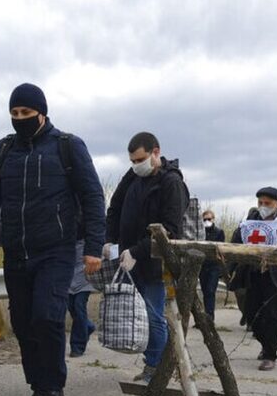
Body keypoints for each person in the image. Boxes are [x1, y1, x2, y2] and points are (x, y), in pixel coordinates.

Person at [0, 83, 105, 396]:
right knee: (22, 323)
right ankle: (38, 387)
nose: (20, 119)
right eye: (15, 114)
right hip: (17, 251)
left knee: (47, 317)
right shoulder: (3, 150)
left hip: (56, 249)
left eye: (26, 113)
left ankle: (54, 390)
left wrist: (93, 248)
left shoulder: (68, 146)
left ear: (42, 113)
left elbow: (93, 197)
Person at [105, 132, 188, 382]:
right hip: (127, 259)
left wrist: (138, 250)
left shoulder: (171, 183)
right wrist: (110, 239)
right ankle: (151, 362)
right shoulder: (132, 177)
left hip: (154, 262)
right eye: (132, 160)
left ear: (155, 152)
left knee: (153, 315)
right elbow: (114, 209)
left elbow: (169, 228)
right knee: (136, 314)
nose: (136, 165)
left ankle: (157, 368)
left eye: (140, 159)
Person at [228, 187, 277, 371]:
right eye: (260, 203)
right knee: (251, 313)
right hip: (252, 273)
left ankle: (270, 354)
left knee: (272, 315)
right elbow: (236, 243)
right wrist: (228, 268)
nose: (263, 207)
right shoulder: (250, 219)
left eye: (267, 203)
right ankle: (264, 342)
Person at [67, 240, 97, 357]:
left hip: (85, 274)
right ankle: (88, 326)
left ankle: (77, 346)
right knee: (71, 307)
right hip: (68, 272)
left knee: (79, 306)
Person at [199, 210, 226, 323]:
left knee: (210, 291)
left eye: (209, 219)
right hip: (203, 266)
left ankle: (210, 318)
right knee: (205, 291)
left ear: (213, 219)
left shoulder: (219, 232)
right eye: (204, 219)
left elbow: (221, 248)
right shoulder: (200, 232)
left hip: (214, 266)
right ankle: (205, 316)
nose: (207, 222)